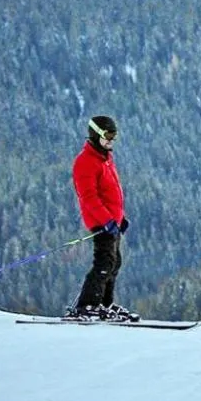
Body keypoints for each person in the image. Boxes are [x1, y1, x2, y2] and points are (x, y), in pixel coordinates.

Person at [67, 115, 138, 321]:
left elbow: (110, 193)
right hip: (101, 223)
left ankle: (104, 305)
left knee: (114, 263)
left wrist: (119, 217)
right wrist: (106, 220)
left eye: (114, 136)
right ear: (96, 134)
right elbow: (89, 197)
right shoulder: (85, 162)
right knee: (104, 263)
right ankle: (87, 305)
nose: (111, 140)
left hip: (111, 222)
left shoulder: (105, 159)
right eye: (107, 135)